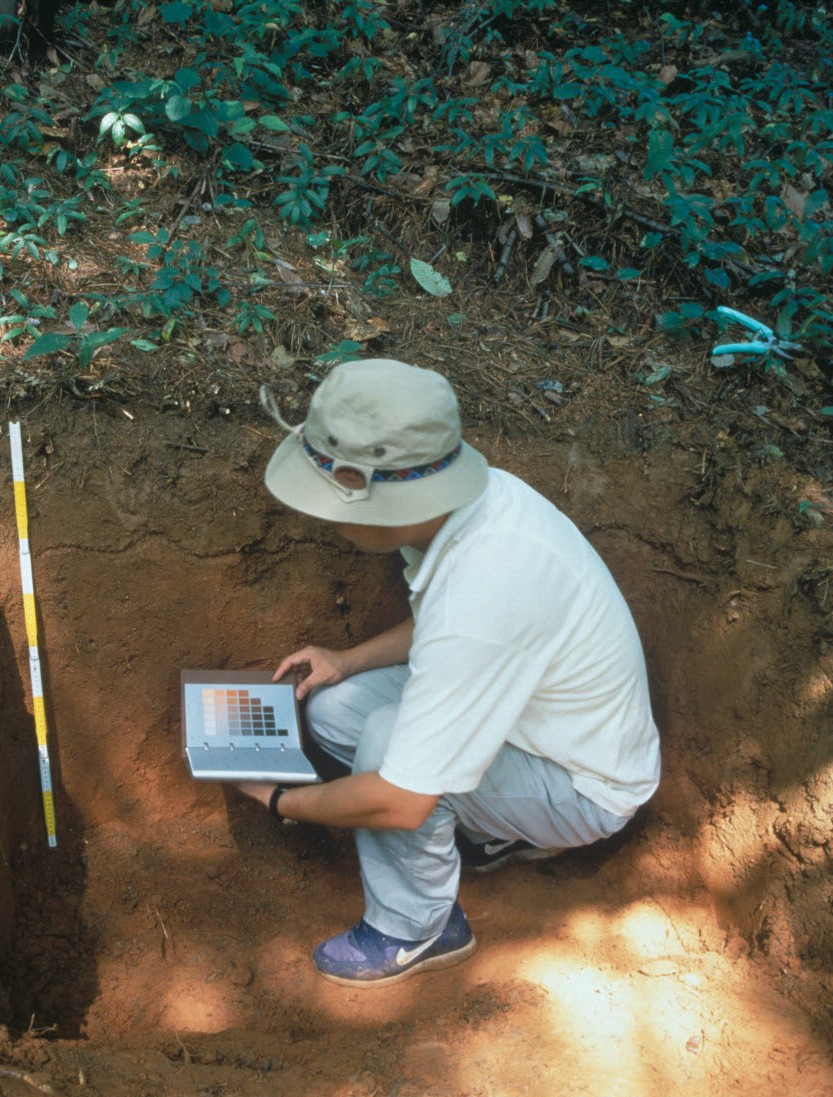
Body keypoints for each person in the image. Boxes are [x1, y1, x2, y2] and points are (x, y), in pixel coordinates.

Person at [232, 359, 660, 989]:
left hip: (584, 784)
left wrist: (278, 800)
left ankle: (417, 927)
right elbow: (447, 628)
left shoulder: (486, 587)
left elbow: (400, 802)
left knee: (384, 742)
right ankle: (487, 832)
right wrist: (346, 661)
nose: (321, 516)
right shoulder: (469, 506)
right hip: (534, 725)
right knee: (334, 707)